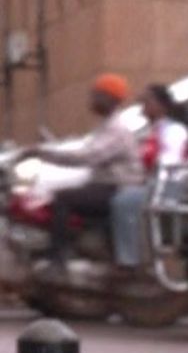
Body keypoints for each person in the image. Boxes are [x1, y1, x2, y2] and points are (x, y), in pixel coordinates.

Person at [28, 74, 142, 272]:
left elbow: (88, 156)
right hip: (107, 185)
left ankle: (59, 259)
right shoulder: (106, 126)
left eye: (96, 95)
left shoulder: (117, 130)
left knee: (62, 199)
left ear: (110, 99)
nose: (92, 100)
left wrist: (42, 154)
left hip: (118, 188)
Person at [107, 83, 188, 273]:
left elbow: (170, 162)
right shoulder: (152, 132)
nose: (143, 107)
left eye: (147, 102)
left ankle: (129, 261)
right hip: (154, 183)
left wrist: (152, 182)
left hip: (168, 187)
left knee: (123, 201)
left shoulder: (174, 130)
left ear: (161, 106)